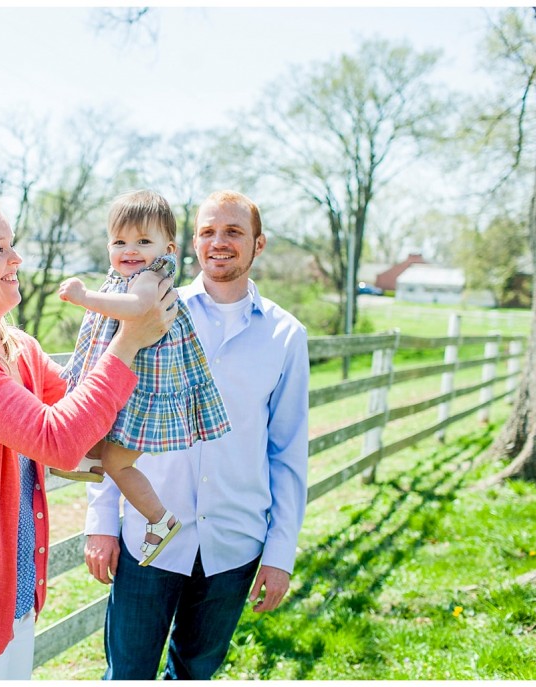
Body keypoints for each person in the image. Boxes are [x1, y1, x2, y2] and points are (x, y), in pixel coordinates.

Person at [0, 196, 177, 680]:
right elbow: (59, 439)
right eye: (0, 249)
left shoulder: (17, 347)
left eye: (12, 245)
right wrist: (128, 340)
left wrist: (157, 357)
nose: (17, 259)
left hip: (11, 591)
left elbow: (86, 417)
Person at [83, 190, 310, 680]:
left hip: (235, 541)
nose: (219, 242)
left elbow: (287, 453)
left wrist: (280, 554)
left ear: (258, 244)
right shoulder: (154, 308)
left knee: (194, 676)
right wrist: (101, 519)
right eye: (208, 231)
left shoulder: (286, 336)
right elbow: (111, 416)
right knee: (127, 675)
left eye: (233, 232)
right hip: (151, 536)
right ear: (191, 243)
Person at [51, 190, 230, 567]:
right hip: (124, 386)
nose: (130, 250)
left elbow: (136, 308)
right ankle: (88, 463)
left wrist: (85, 297)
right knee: (105, 444)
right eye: (120, 242)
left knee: (118, 462)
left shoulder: (150, 278)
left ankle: (159, 518)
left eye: (143, 241)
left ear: (167, 248)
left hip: (143, 395)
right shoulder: (124, 276)